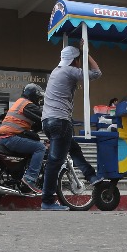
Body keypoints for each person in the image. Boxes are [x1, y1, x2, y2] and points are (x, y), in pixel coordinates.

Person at [40, 45, 102, 211]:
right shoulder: (69, 71)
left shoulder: (56, 71)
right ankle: (47, 201)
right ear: (75, 60)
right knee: (55, 163)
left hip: (47, 121)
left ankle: (91, 176)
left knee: (73, 148)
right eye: (78, 60)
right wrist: (87, 53)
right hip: (60, 121)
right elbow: (97, 73)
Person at [0, 84, 46, 194]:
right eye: (38, 97)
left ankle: (23, 175)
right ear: (32, 95)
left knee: (34, 141)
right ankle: (29, 179)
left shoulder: (20, 102)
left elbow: (33, 124)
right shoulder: (27, 105)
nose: (39, 100)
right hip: (10, 137)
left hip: (6, 136)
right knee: (40, 148)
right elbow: (43, 116)